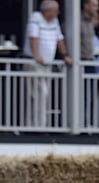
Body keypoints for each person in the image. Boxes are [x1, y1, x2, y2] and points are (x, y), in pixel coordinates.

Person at [22, 0, 71, 128]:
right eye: (56, 11)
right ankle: (33, 125)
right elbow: (33, 37)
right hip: (34, 63)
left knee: (45, 94)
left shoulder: (54, 22)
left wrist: (65, 55)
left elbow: (59, 39)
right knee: (38, 93)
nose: (58, 13)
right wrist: (35, 55)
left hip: (47, 63)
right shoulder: (36, 18)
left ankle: (41, 124)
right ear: (47, 11)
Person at [80, 0, 98, 72]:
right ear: (86, 6)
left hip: (90, 59)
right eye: (94, 6)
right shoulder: (75, 20)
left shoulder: (91, 22)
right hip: (79, 61)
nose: (97, 8)